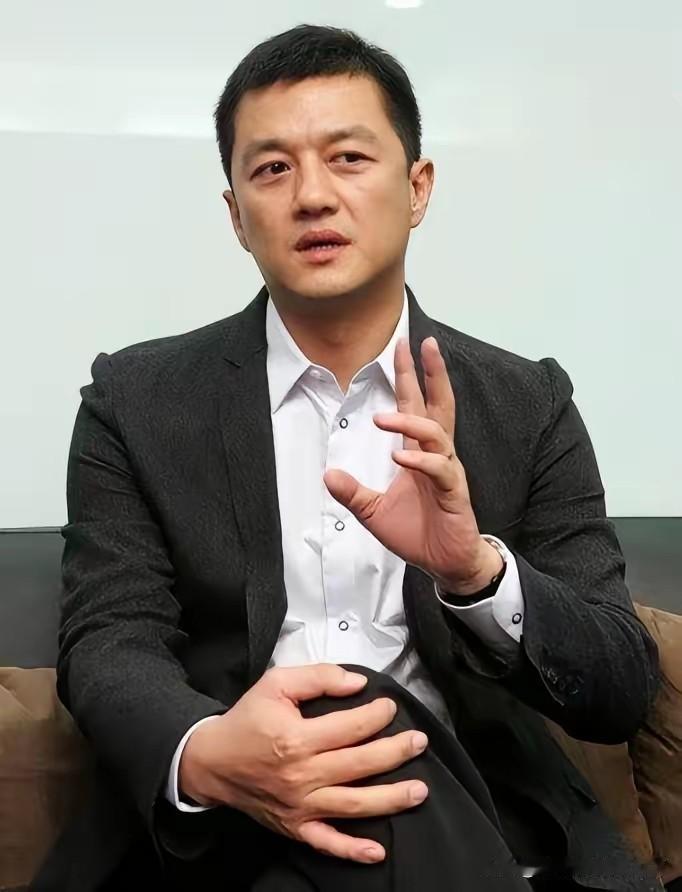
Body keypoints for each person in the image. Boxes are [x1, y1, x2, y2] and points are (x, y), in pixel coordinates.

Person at [32, 24, 662, 892]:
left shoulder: (528, 403)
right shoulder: (135, 402)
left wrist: (475, 574)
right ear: (236, 216)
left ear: (417, 188)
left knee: (375, 727)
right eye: (272, 169)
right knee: (345, 713)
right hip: (227, 831)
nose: (312, 196)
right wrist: (211, 751)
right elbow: (110, 639)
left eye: (348, 159)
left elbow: (619, 685)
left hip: (470, 816)